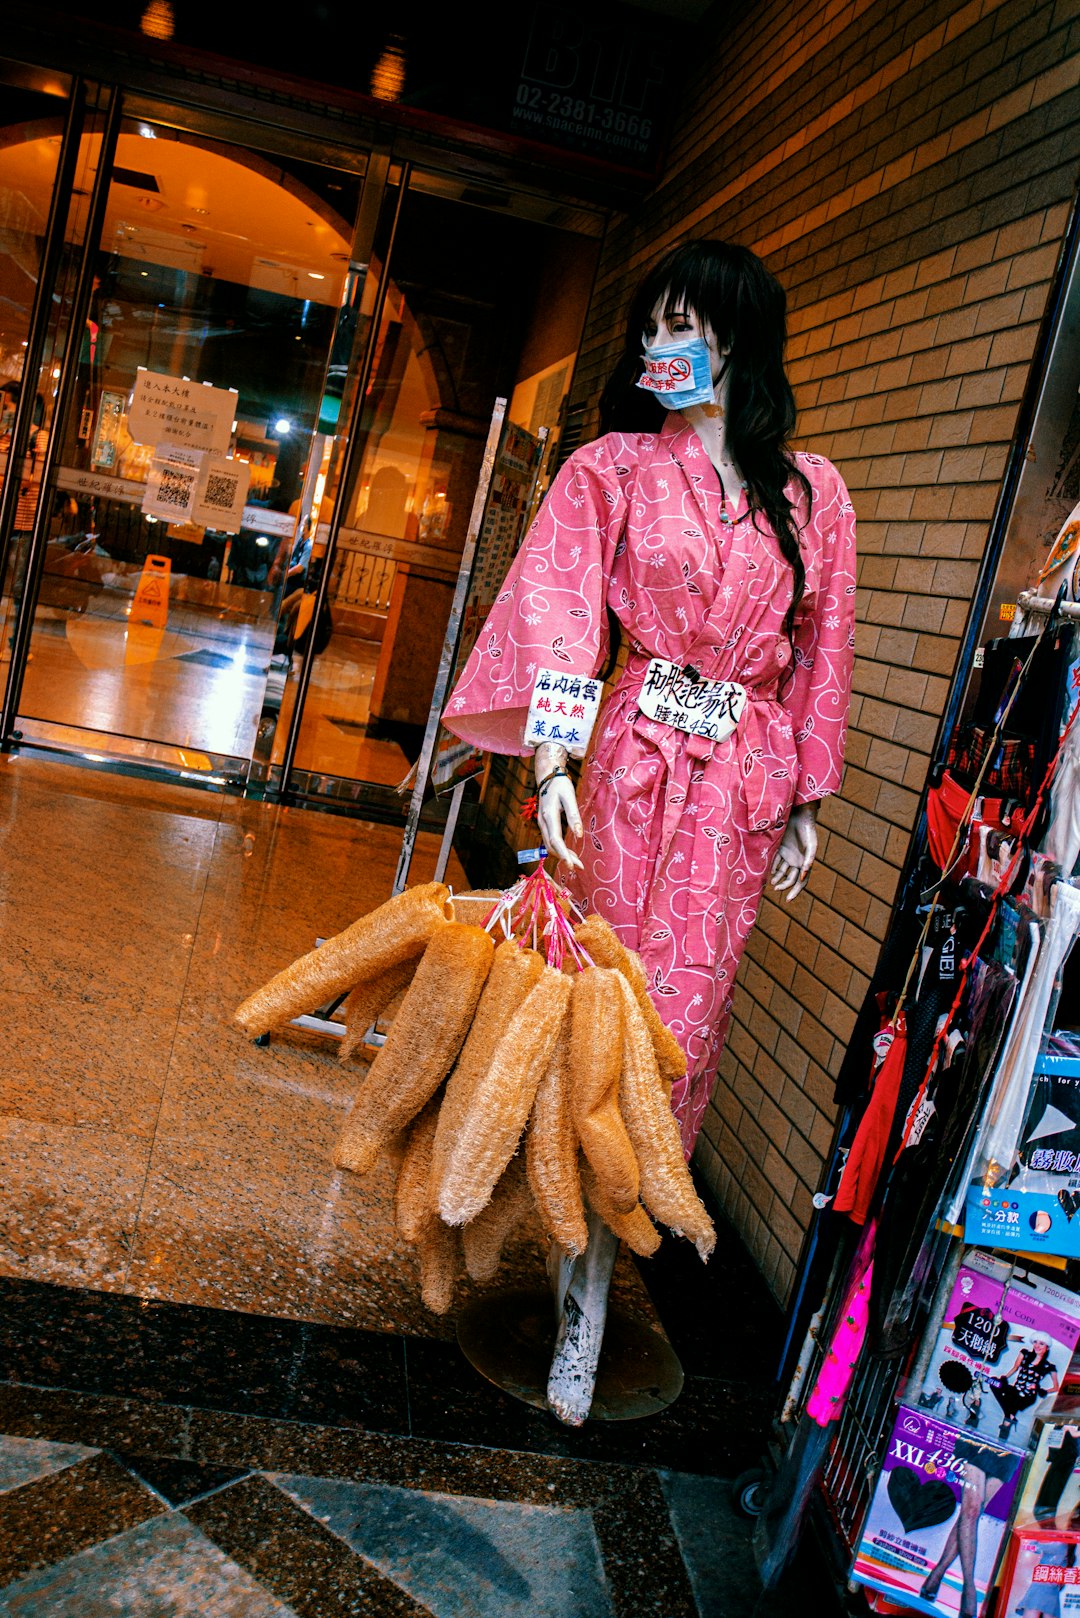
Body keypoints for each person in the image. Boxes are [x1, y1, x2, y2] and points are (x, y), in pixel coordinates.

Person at [443, 238, 857, 1422]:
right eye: (649, 328)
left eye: (684, 326)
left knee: (672, 1038)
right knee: (585, 1016)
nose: (657, 349)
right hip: (621, 778)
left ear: (737, 339)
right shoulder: (609, 470)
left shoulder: (813, 494)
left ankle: (595, 1293)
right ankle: (545, 1251)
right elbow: (567, 619)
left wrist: (806, 804)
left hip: (733, 800)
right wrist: (557, 760)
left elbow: (822, 658)